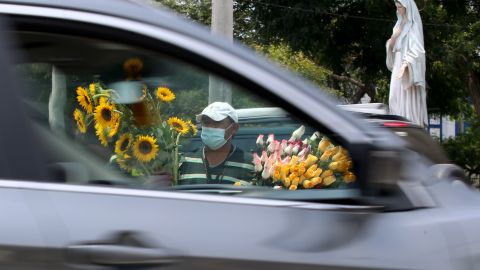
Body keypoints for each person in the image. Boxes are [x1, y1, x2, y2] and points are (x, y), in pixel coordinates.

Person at [179, 102, 254, 185]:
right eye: (206, 122)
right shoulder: (184, 161)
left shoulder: (250, 165)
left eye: (217, 123)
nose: (210, 127)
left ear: (234, 128)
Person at [386, 0, 427, 127]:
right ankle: (398, 124)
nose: (398, 9)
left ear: (407, 7)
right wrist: (394, 37)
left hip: (407, 68)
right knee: (394, 97)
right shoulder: (398, 25)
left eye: (400, 7)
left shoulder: (413, 25)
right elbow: (391, 46)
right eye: (396, 7)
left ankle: (410, 126)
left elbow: (418, 49)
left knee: (408, 97)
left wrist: (406, 65)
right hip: (398, 63)